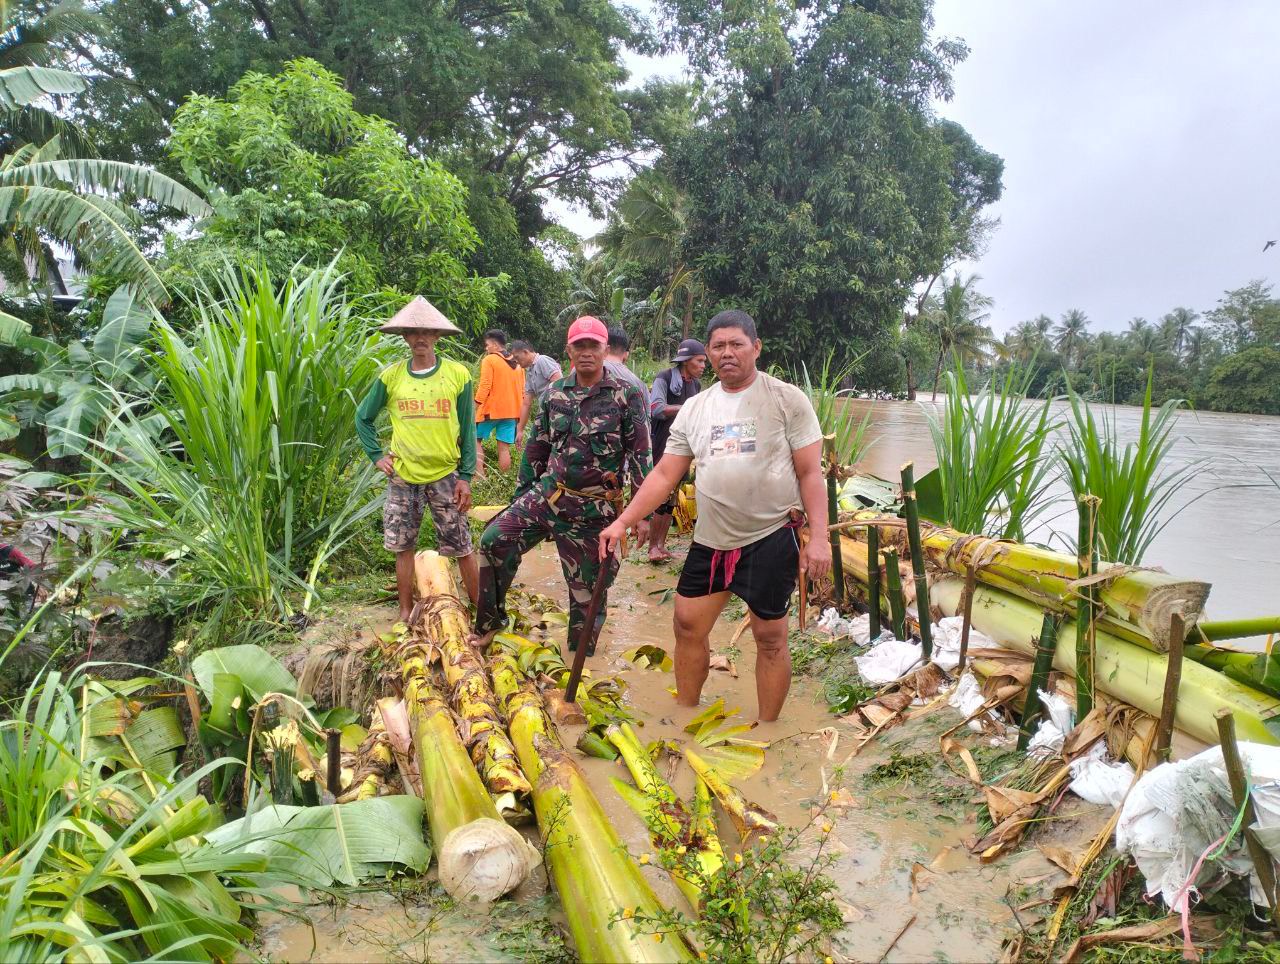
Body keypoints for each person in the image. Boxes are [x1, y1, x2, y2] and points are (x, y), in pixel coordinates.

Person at [600, 310, 831, 722]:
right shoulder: (695, 408)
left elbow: (811, 473)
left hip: (770, 536)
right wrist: (621, 521)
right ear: (708, 352)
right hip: (710, 539)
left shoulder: (786, 399)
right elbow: (666, 474)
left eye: (737, 344)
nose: (728, 353)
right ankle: (685, 714)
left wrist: (820, 538)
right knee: (687, 625)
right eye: (719, 346)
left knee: (771, 637)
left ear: (756, 348)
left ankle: (767, 728)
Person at [472, 316, 652, 655]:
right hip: (549, 495)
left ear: (604, 350)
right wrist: (520, 499)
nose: (586, 352)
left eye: (593, 346)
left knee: (587, 604)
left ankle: (579, 665)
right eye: (579, 345)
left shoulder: (627, 395)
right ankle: (489, 624)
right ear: (568, 350)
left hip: (594, 511)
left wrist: (641, 514)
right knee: (495, 541)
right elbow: (537, 448)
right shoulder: (554, 394)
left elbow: (642, 455)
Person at [355, 297, 479, 621]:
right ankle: (405, 610)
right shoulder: (391, 377)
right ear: (405, 337)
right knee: (402, 544)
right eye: (413, 332)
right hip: (403, 476)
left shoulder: (458, 375)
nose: (420, 337)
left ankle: (482, 612)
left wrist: (466, 475)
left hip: (446, 474)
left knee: (462, 544)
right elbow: (363, 417)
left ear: (437, 336)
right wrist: (376, 456)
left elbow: (468, 427)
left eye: (427, 331)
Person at [646, 338, 707, 562]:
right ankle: (652, 547)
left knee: (672, 498)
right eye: (699, 361)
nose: (703, 366)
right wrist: (688, 408)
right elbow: (657, 408)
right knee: (661, 495)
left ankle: (661, 545)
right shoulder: (664, 377)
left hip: (684, 445)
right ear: (686, 361)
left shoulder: (695, 385)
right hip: (663, 442)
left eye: (704, 362)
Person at [474, 328, 525, 476]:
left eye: (488, 344)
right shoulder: (518, 364)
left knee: (475, 440)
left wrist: (475, 405)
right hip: (512, 412)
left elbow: (485, 386)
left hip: (491, 411)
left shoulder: (489, 360)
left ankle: (479, 476)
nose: (486, 348)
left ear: (495, 345)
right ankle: (504, 478)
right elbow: (523, 390)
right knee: (504, 448)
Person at [511, 339, 563, 443]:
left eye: (517, 357)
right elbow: (526, 403)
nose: (516, 361)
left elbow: (559, 383)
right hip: (545, 414)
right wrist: (520, 430)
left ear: (525, 352)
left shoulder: (542, 360)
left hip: (558, 413)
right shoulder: (530, 371)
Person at [604, 326, 651, 425]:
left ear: (604, 347)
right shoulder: (640, 384)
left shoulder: (585, 371)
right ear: (626, 354)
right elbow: (646, 423)